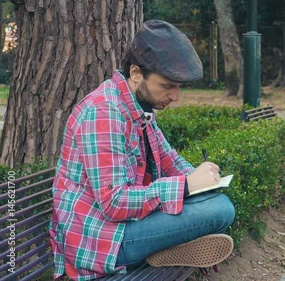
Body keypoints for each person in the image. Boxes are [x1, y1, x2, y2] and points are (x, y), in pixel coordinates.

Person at [49, 20, 235, 281]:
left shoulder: (137, 106)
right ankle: (169, 247)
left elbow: (168, 158)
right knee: (221, 211)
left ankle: (173, 248)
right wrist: (186, 187)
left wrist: (200, 178)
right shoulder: (104, 113)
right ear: (136, 72)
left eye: (179, 87)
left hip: (127, 226)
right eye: (168, 86)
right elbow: (114, 203)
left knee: (217, 201)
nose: (175, 96)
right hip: (102, 242)